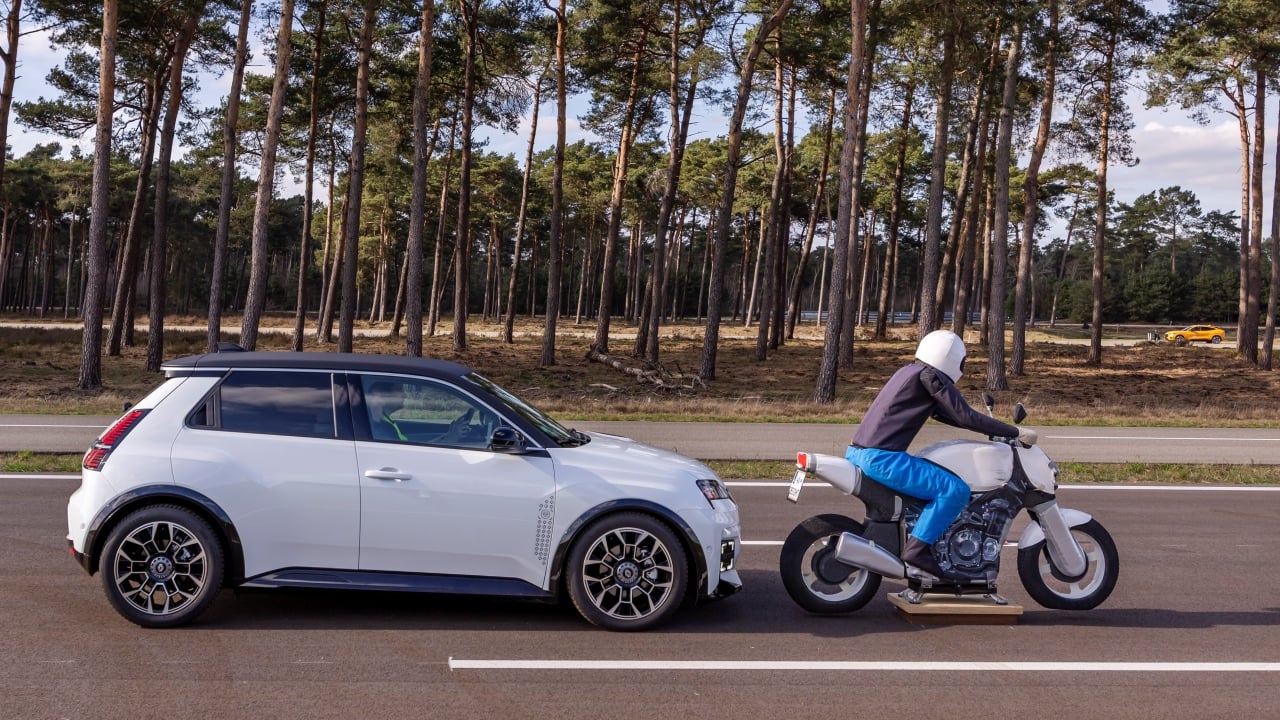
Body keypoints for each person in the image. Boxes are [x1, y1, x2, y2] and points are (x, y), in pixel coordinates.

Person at [846, 330, 1037, 579]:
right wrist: (1015, 431)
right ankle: (917, 550)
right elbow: (964, 415)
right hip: (882, 459)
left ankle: (929, 542)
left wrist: (991, 429)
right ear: (952, 357)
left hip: (860, 452)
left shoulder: (910, 371)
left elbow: (949, 415)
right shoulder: (931, 376)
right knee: (954, 490)